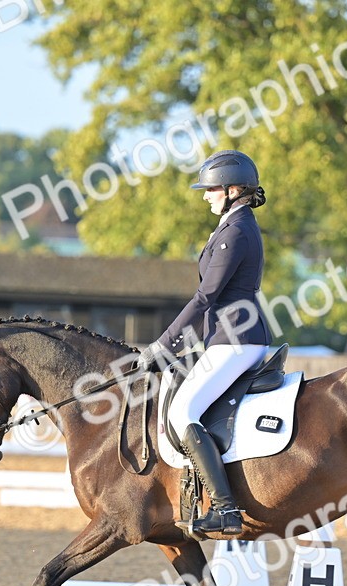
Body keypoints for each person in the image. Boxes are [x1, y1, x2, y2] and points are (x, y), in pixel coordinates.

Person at [135, 150, 271, 536]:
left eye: (211, 188)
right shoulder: (233, 225)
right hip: (225, 337)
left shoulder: (237, 230)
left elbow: (206, 297)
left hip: (236, 340)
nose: (206, 195)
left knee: (183, 412)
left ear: (233, 189)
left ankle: (227, 509)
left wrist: (162, 345)